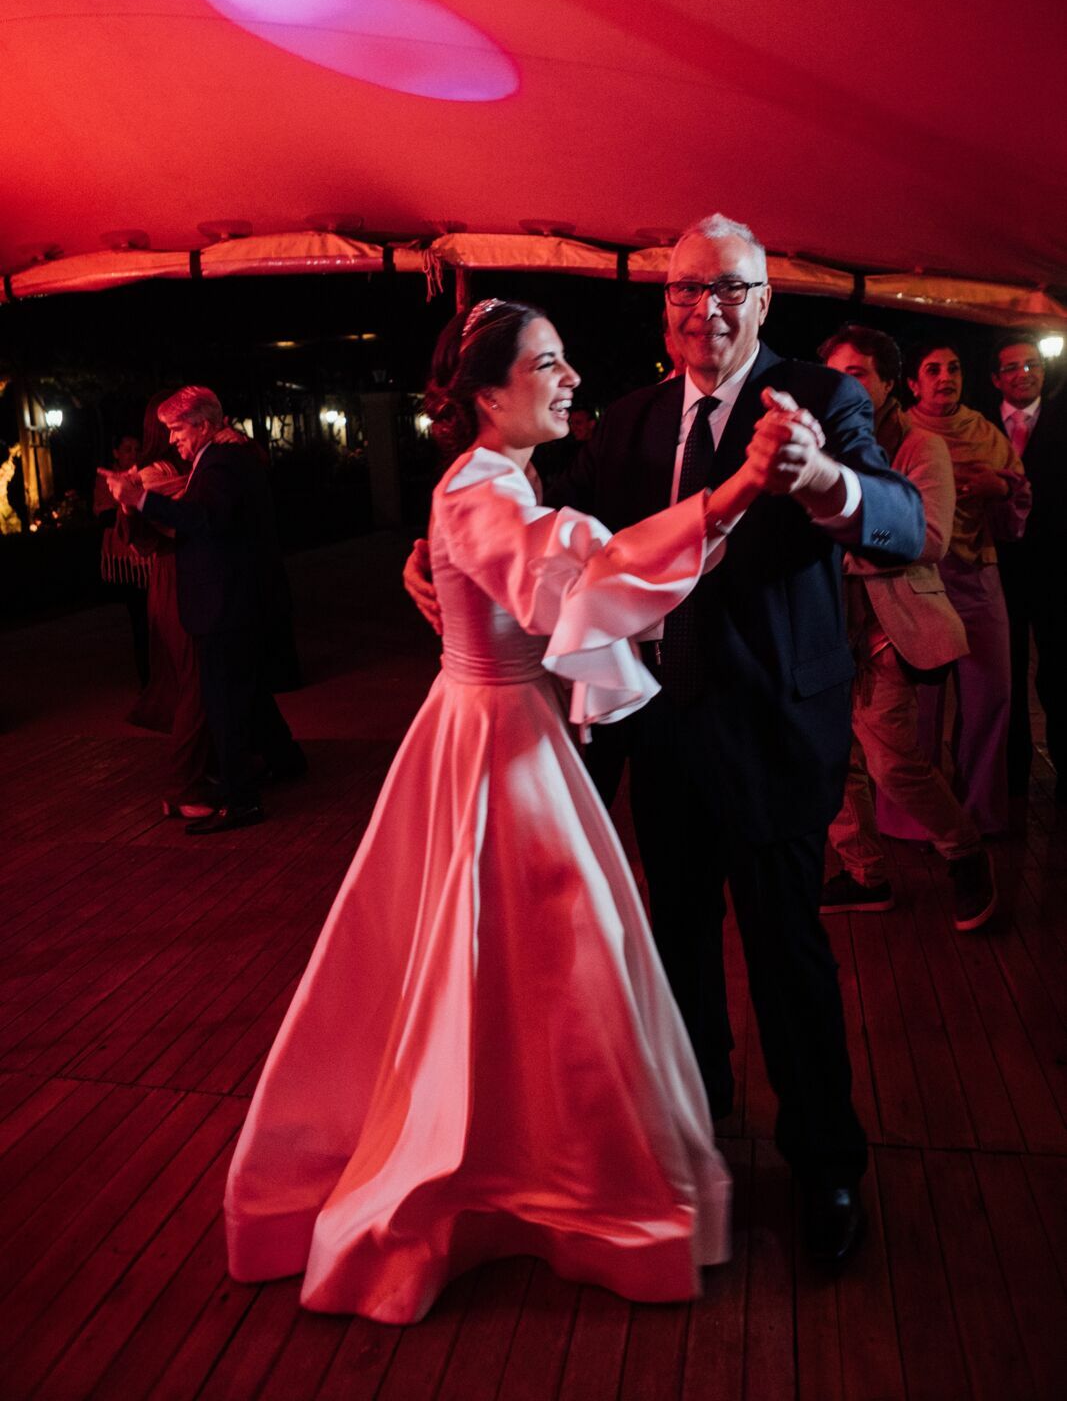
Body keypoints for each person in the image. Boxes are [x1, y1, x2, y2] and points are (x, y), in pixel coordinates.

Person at [224, 298, 819, 1323]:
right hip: (493, 742)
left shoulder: (498, 478)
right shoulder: (481, 488)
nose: (569, 377)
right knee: (542, 953)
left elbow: (566, 562)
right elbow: (575, 577)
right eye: (546, 363)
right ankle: (528, 1180)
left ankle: (518, 1153)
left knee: (509, 961)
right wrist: (728, 497)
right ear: (487, 394)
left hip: (499, 726)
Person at [407, 218, 926, 1269]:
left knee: (787, 946)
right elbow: (573, 566)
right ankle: (700, 1124)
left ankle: (825, 1164)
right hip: (661, 727)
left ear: (764, 298)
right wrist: (442, 567)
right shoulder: (631, 421)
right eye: (686, 291)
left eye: (728, 289)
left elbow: (902, 522)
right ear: (664, 306)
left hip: (779, 723)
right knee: (674, 936)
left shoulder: (819, 400)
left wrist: (823, 482)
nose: (706, 310)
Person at [816, 327, 994, 930]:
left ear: (890, 381)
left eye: (858, 373)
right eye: (835, 374)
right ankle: (866, 873)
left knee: (895, 765)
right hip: (827, 629)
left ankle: (966, 854)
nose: (846, 385)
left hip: (890, 625)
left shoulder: (919, 447)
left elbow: (930, 538)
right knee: (834, 760)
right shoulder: (823, 445)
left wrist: (833, 555)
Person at [103, 386, 304, 834]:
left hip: (225, 601)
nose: (172, 439)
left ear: (204, 425)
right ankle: (269, 768)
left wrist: (138, 499)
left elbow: (203, 519)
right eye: (169, 431)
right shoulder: (217, 459)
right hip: (227, 599)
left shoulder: (222, 462)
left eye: (177, 429)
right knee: (232, 695)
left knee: (222, 702)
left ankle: (238, 799)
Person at [876, 340, 1029, 843]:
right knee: (918, 708)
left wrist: (1001, 490)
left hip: (979, 576)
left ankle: (981, 815)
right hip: (918, 581)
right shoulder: (902, 436)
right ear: (913, 383)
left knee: (992, 698)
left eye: (955, 368)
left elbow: (1015, 516)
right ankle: (917, 818)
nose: (946, 377)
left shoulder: (985, 433)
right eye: (933, 369)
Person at [987, 336, 1067, 804]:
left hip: (1057, 568)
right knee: (1005, 675)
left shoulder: (1059, 420)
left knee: (1059, 671)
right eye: (1013, 367)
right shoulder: (979, 424)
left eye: (1032, 365)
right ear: (997, 379)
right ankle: (1010, 775)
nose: (1024, 374)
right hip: (1000, 568)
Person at [93, 432, 151, 686]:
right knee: (140, 619)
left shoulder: (146, 474)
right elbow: (103, 515)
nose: (133, 453)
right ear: (116, 453)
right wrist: (131, 506)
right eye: (127, 448)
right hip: (127, 561)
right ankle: (147, 678)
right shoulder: (106, 479)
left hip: (149, 557)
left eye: (137, 448)